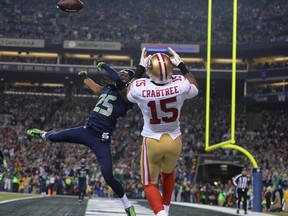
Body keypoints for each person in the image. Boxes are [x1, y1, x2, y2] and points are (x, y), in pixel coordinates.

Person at [26, 63, 136, 216]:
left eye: (126, 76)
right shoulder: (107, 89)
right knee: (55, 137)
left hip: (101, 139)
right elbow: (95, 87)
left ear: (130, 82)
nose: (122, 77)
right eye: (122, 74)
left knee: (108, 176)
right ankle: (43, 134)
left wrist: (107, 67)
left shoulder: (128, 97)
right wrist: (85, 78)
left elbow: (118, 81)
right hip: (87, 130)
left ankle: (128, 206)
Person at [127, 47, 199, 216]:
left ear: (149, 70)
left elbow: (128, 93)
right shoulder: (180, 84)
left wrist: (139, 67)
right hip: (174, 139)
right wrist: (181, 64)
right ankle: (165, 208)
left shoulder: (140, 87)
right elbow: (195, 87)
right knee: (168, 173)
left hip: (152, 140)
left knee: (149, 183)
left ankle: (161, 214)